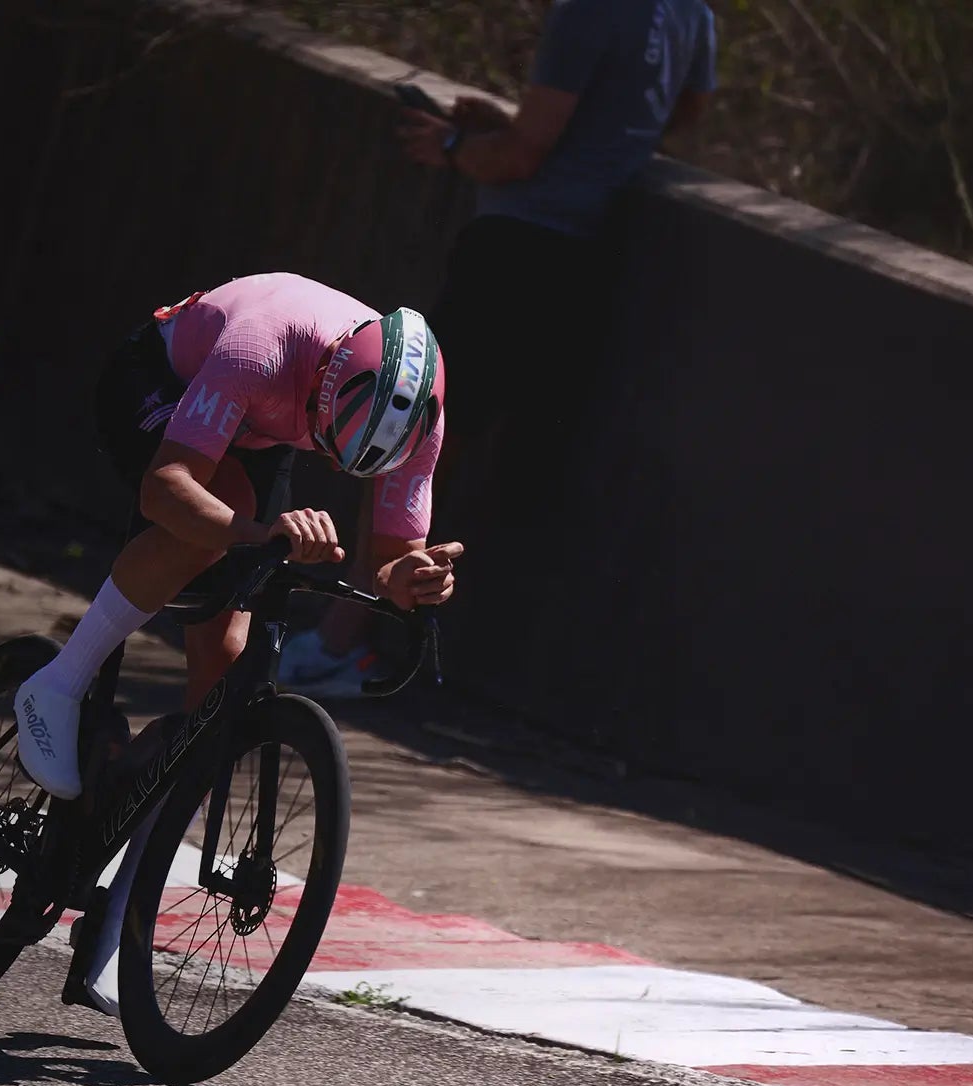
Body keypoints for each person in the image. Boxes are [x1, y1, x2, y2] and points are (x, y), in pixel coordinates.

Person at [13, 272, 464, 1014]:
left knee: (217, 698)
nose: (333, 467)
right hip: (162, 382)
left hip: (262, 429)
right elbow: (166, 487)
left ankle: (114, 926)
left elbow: (390, 560)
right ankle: (59, 681)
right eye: (329, 444)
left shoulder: (419, 420)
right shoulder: (264, 346)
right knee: (219, 521)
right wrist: (254, 534)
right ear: (325, 386)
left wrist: (412, 580)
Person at [280, 0, 716, 689]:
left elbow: (517, 158)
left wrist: (454, 146)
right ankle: (371, 638)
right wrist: (573, 136)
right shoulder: (690, 12)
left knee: (407, 438)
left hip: (515, 253)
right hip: (588, 254)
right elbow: (683, 108)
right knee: (461, 451)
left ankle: (343, 642)